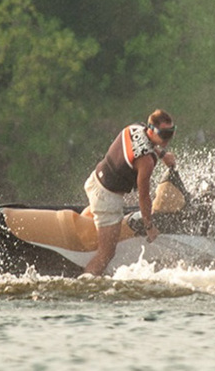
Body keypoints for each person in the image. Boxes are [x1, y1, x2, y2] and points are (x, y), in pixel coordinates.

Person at [81, 109, 190, 277]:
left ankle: (78, 238)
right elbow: (144, 197)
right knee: (106, 254)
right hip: (107, 198)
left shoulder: (137, 127)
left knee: (96, 213)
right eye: (164, 134)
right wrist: (149, 226)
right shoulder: (145, 161)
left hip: (94, 181)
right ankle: (84, 284)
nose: (168, 138)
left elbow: (147, 143)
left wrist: (163, 154)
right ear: (152, 129)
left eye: (171, 132)